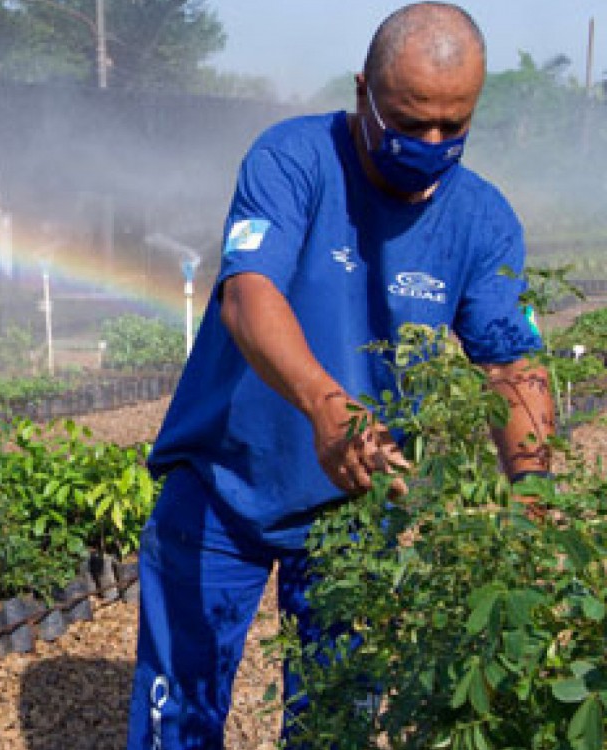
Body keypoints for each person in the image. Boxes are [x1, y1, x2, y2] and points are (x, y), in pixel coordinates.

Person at [125, 3, 555, 748]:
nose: (431, 144)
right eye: (410, 121)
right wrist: (329, 407)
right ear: (364, 91)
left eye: (452, 125)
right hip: (222, 486)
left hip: (355, 513)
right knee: (178, 717)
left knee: (333, 728)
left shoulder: (483, 220)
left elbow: (511, 363)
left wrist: (535, 500)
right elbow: (247, 294)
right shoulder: (293, 160)